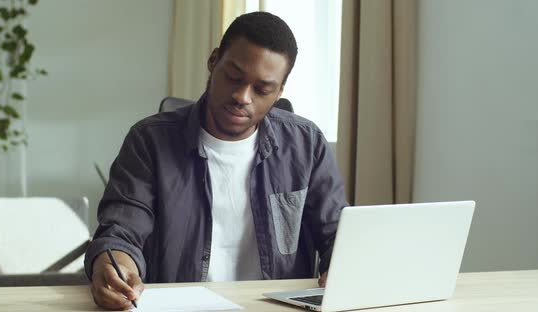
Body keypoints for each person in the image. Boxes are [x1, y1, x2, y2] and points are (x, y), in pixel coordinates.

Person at [84, 11, 348, 310]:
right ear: (213, 61)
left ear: (279, 92)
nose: (242, 96)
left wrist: (342, 268)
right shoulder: (149, 142)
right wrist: (117, 268)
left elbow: (337, 236)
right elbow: (121, 232)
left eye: (262, 89)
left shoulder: (306, 144)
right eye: (233, 77)